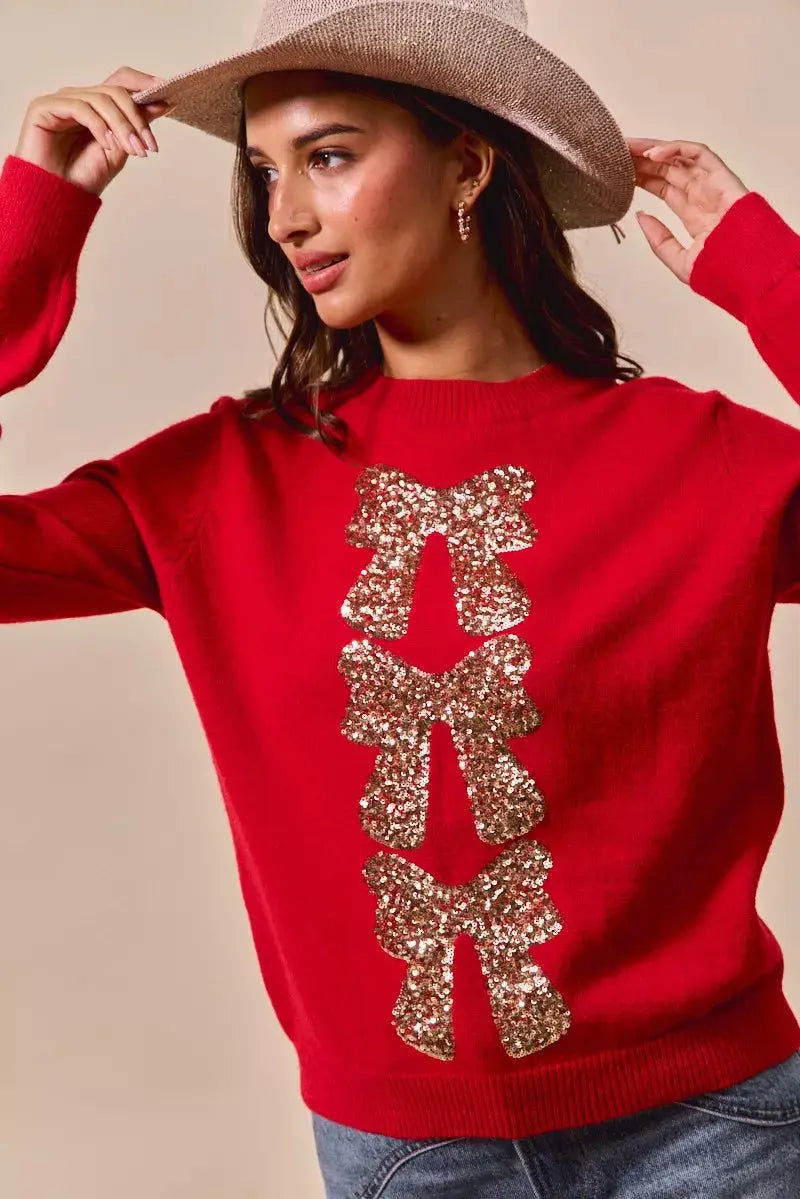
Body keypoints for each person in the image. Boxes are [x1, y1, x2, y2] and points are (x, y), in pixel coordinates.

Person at [3, 0, 800, 1195]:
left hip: (718, 1129)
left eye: (328, 156)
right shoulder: (219, 481)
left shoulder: (704, 459)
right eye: (264, 172)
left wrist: (763, 269)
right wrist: (29, 229)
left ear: (468, 162)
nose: (283, 219)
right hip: (410, 1154)